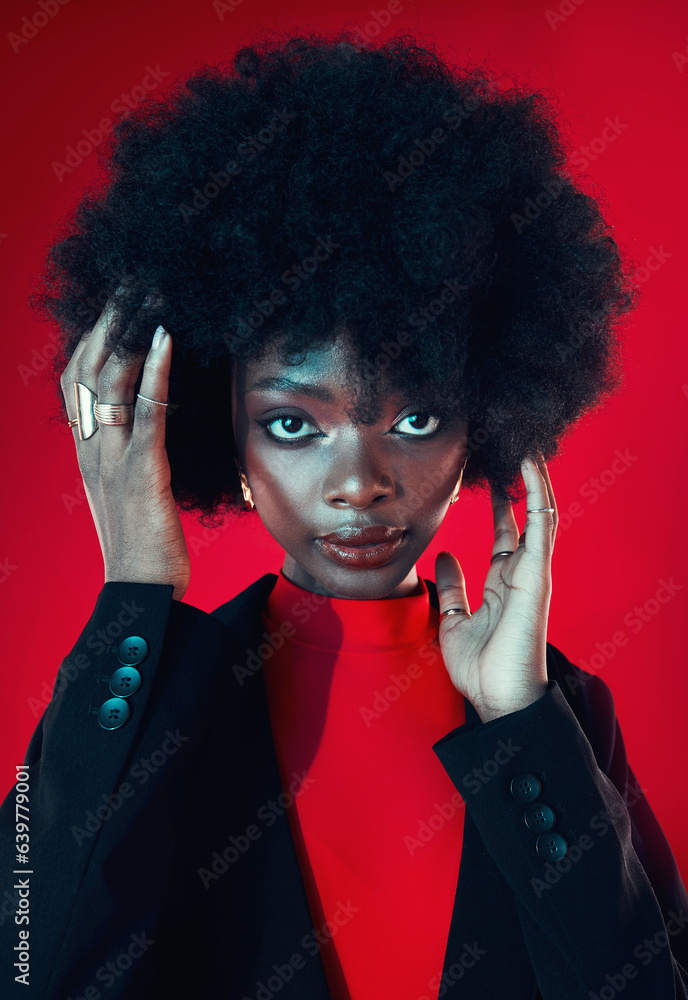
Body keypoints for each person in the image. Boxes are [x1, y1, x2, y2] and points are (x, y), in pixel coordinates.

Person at [1, 26, 687, 1000]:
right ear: (217, 437)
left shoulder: (555, 715)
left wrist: (519, 717)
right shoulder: (149, 710)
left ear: (485, 421)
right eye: (292, 422)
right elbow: (26, 966)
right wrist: (135, 588)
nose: (359, 480)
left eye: (412, 415)